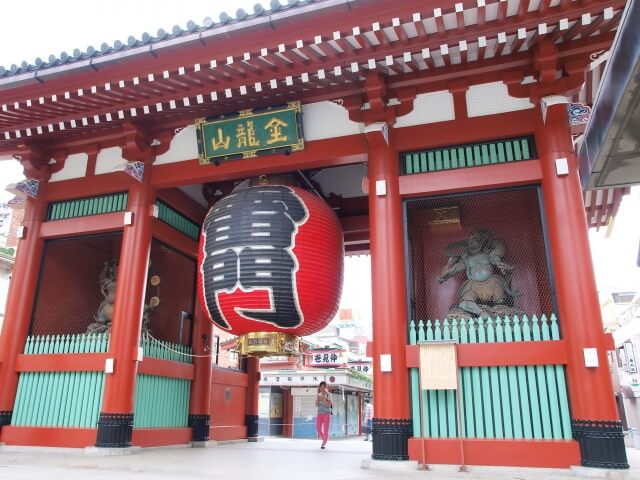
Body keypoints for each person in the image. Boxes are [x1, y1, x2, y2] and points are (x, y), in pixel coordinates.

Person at [315, 381, 332, 449]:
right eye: (321, 387)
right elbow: (316, 405)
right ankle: (324, 439)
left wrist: (324, 399)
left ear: (325, 387)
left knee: (325, 430)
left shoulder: (329, 394)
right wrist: (317, 399)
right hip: (319, 414)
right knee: (318, 428)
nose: (322, 388)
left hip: (326, 414)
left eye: (323, 387)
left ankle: (324, 443)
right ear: (319, 387)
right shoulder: (318, 394)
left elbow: (329, 405)